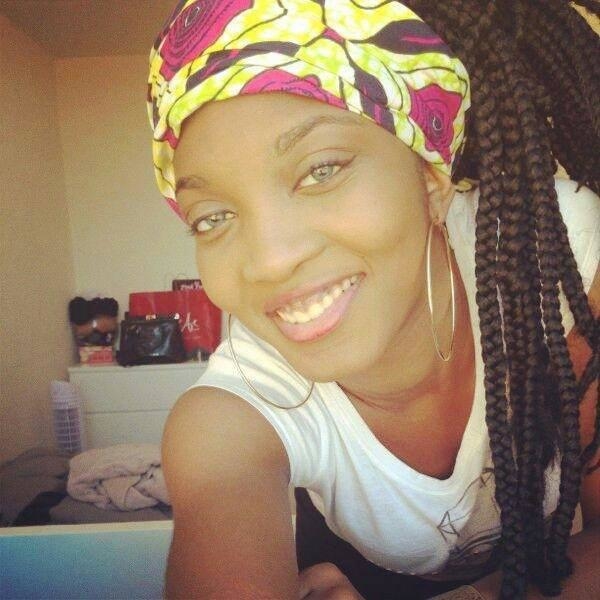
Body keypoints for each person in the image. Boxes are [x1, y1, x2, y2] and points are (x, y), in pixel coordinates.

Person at [146, 1, 599, 598]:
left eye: (321, 170)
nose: (269, 262)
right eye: (213, 217)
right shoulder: (233, 412)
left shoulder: (557, 253)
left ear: (431, 180)